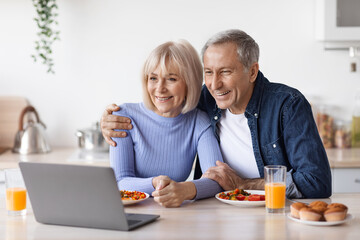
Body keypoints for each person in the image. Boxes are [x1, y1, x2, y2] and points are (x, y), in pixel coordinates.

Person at [101, 29, 332, 199]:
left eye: (225, 72)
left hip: (276, 212)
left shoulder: (287, 105)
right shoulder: (205, 101)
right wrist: (107, 121)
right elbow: (163, 104)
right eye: (209, 73)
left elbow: (317, 182)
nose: (214, 84)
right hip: (220, 210)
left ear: (252, 72)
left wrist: (242, 184)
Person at [109, 40, 223, 208]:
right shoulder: (123, 116)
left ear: (189, 83)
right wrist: (155, 183)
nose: (160, 88)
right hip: (132, 214)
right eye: (153, 78)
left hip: (175, 215)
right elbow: (119, 182)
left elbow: (216, 180)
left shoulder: (199, 122)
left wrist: (185, 190)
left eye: (171, 79)